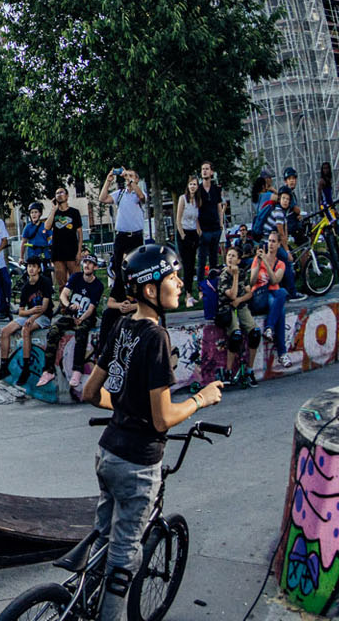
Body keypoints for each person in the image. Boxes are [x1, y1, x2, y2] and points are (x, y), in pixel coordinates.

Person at [79, 244, 223, 621]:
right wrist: (201, 400)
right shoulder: (157, 338)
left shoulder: (123, 326)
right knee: (124, 560)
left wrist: (126, 403)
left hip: (107, 452)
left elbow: (91, 393)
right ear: (149, 290)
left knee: (102, 540)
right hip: (137, 465)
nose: (179, 283)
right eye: (172, 277)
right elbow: (162, 420)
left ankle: (78, 605)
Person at [47, 254, 107, 388]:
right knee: (53, 331)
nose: (87, 265)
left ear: (95, 267)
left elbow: (91, 309)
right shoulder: (76, 277)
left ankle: (77, 370)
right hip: (72, 312)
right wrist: (69, 306)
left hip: (87, 316)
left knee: (81, 333)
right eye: (85, 262)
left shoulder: (98, 285)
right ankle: (48, 370)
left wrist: (81, 318)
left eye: (90, 263)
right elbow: (63, 295)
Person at [0, 257, 54, 384]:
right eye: (29, 266)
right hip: (30, 314)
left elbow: (44, 308)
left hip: (43, 317)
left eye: (34, 266)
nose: (31, 269)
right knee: (5, 331)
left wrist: (32, 317)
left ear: (39, 269)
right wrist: (30, 313)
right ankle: (3, 368)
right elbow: (21, 311)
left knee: (25, 329)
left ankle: (26, 368)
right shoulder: (26, 287)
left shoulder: (45, 282)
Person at [216, 245, 260, 387]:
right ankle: (229, 371)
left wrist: (240, 300)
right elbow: (232, 295)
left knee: (255, 333)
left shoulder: (242, 273)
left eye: (233, 256)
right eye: (229, 255)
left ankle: (249, 370)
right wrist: (234, 276)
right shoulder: (223, 275)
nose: (230, 258)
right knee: (236, 335)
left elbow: (249, 292)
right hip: (226, 308)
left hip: (240, 305)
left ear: (239, 260)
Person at [253, 227, 292, 369]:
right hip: (260, 295)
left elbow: (275, 280)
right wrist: (258, 262)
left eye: (274, 241)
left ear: (278, 245)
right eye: (269, 241)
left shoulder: (280, 263)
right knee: (278, 308)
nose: (270, 244)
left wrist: (268, 265)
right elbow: (251, 282)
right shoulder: (258, 260)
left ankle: (269, 328)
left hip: (274, 293)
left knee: (282, 293)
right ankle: (282, 354)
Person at [49, 186, 84, 292]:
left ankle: (77, 306)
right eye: (57, 193)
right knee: (62, 285)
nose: (59, 195)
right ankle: (64, 308)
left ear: (67, 195)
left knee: (76, 282)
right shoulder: (54, 213)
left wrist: (79, 252)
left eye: (61, 192)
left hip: (72, 252)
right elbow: (46, 227)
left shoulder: (74, 212)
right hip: (58, 254)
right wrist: (53, 210)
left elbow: (80, 234)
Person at [196, 162, 224, 282]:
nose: (205, 171)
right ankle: (201, 286)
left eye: (207, 169)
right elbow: (195, 209)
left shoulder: (216, 189)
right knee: (202, 259)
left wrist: (221, 223)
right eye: (203, 169)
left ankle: (213, 284)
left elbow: (219, 206)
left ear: (212, 172)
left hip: (215, 228)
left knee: (214, 259)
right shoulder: (198, 190)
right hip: (204, 229)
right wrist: (198, 228)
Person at [175, 179, 202, 298]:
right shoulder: (182, 199)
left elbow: (196, 219)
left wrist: (198, 232)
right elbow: (178, 219)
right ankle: (187, 294)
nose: (192, 186)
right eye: (190, 184)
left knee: (192, 264)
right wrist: (182, 235)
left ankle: (191, 291)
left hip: (193, 232)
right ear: (188, 185)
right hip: (183, 232)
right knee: (186, 264)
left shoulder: (197, 201)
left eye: (194, 184)